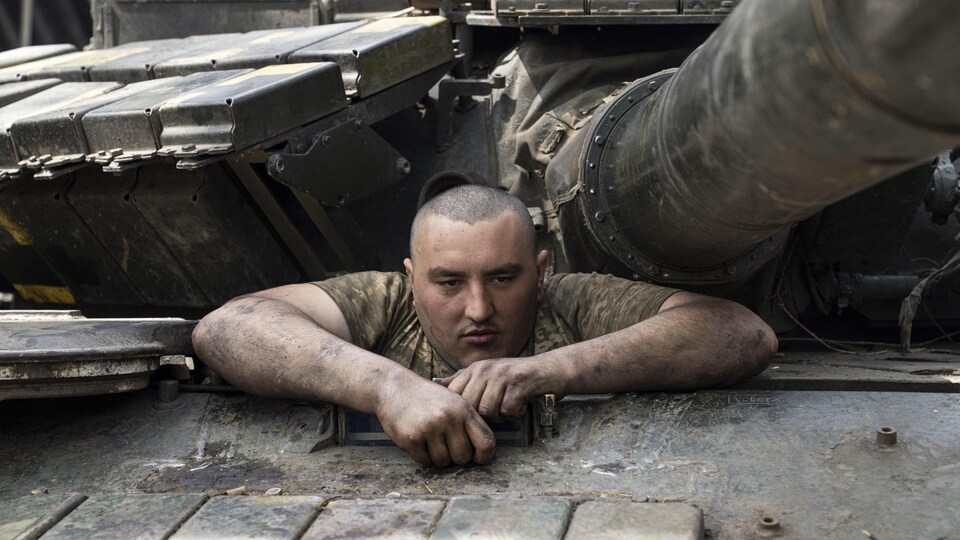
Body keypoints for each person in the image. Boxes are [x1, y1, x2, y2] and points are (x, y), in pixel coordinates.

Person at [192, 185, 777, 467]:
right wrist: (388, 386)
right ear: (411, 277)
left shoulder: (574, 302)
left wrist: (546, 370)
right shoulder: (387, 301)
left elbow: (740, 333)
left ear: (541, 272)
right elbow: (228, 327)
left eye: (503, 279)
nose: (477, 309)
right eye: (448, 283)